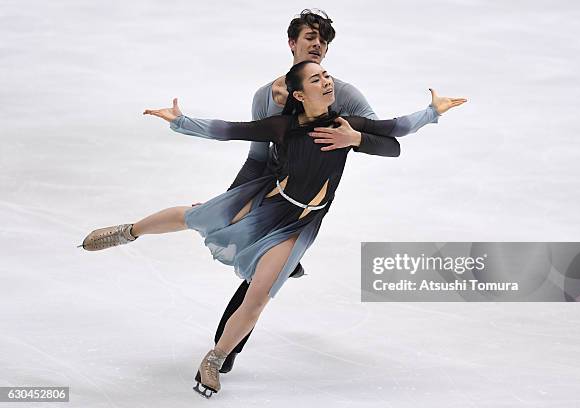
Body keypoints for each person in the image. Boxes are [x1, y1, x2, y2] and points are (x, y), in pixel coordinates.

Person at [79, 60, 466, 397]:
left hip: (301, 223)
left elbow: (395, 129)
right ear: (299, 94)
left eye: (326, 76)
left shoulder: (347, 123)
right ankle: (128, 231)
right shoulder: (283, 127)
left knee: (259, 296)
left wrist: (430, 113)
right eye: (316, 80)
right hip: (269, 202)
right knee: (195, 216)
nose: (327, 82)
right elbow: (228, 129)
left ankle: (215, 359)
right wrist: (181, 122)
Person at [213, 9, 420, 375]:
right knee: (258, 271)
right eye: (310, 38)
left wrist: (355, 138)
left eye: (323, 42)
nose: (317, 46)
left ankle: (223, 350)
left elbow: (391, 144)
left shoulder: (343, 95)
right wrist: (229, 202)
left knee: (260, 278)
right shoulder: (266, 96)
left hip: (308, 204)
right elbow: (256, 159)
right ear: (292, 43)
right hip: (271, 194)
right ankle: (225, 348)